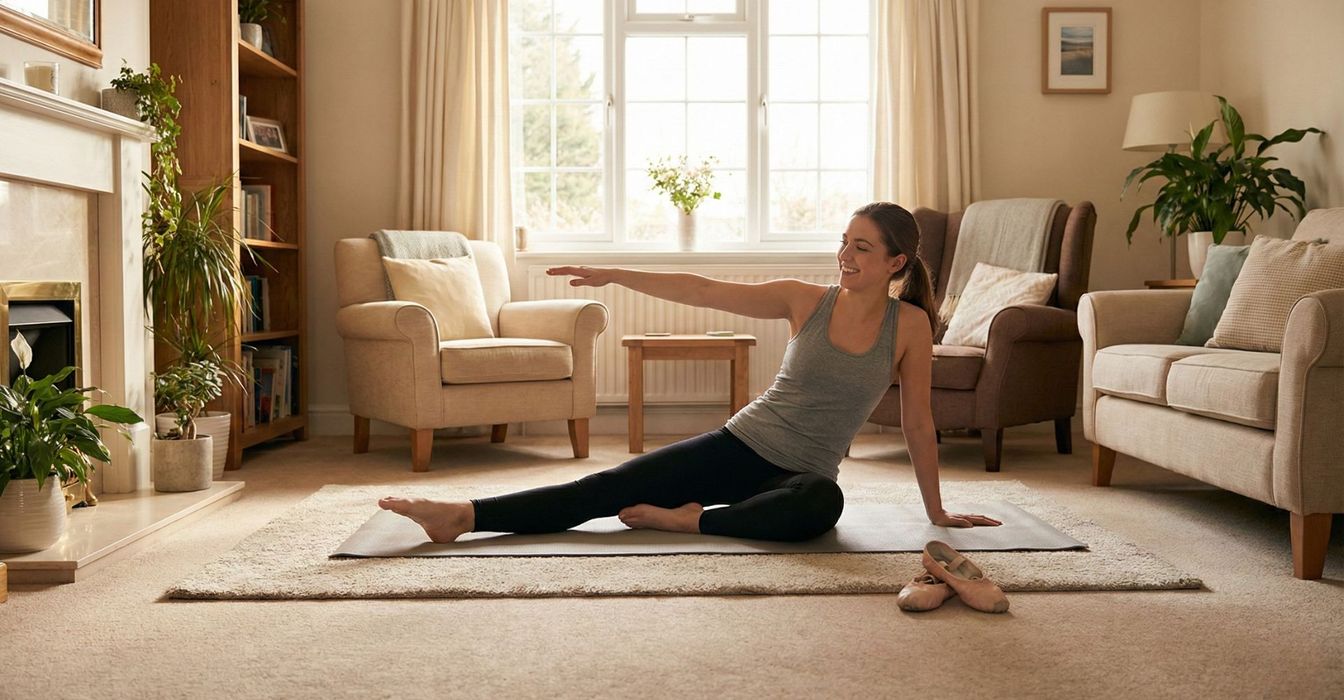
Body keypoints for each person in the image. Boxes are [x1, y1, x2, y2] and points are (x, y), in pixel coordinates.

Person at [378, 202, 1001, 543]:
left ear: (896, 261)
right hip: (739, 446)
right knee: (601, 490)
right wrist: (617, 273)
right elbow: (704, 289)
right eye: (843, 242)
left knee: (822, 506)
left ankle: (691, 520)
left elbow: (919, 423)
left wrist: (937, 509)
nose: (844, 256)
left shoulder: (911, 326)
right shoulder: (804, 300)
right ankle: (463, 514)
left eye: (862, 248)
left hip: (801, 474)